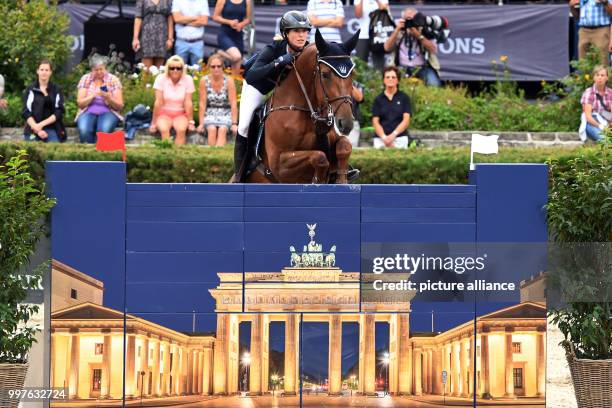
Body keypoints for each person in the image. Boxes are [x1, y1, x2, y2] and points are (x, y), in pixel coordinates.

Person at [233, 10, 312, 178]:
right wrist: (279, 61)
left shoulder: (307, 50)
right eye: (296, 31)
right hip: (259, 88)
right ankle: (239, 174)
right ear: (285, 34)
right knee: (244, 126)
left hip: (283, 91)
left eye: (304, 31)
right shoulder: (273, 49)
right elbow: (253, 74)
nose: (301, 35)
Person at [384, 7, 441, 87]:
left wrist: (418, 35)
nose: (410, 23)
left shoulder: (424, 29)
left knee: (434, 85)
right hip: (401, 67)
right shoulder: (397, 28)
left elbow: (433, 49)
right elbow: (387, 48)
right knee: (390, 84)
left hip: (421, 67)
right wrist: (397, 30)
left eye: (413, 20)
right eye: (407, 20)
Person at [76, 55, 124, 144]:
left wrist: (108, 97)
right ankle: (88, 155)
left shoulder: (113, 79)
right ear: (91, 70)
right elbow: (80, 103)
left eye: (101, 69)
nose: (99, 72)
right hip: (87, 111)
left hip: (109, 111)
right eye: (96, 70)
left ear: (105, 68)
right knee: (84, 130)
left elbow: (119, 105)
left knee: (103, 131)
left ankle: (101, 155)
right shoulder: (85, 78)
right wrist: (92, 96)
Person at [150, 55, 196, 145]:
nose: (175, 70)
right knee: (164, 129)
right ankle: (167, 156)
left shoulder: (188, 79)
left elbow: (188, 102)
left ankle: (178, 156)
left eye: (178, 68)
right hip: (163, 114)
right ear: (168, 69)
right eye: (172, 68)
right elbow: (158, 102)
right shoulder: (160, 78)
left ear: (182, 69)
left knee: (181, 130)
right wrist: (154, 123)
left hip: (180, 114)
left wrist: (191, 121)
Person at [197, 54, 238, 146]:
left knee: (222, 129)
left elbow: (233, 103)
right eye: (213, 66)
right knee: (211, 129)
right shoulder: (204, 80)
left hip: (226, 113)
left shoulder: (229, 81)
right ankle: (212, 156)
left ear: (222, 67)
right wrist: (201, 123)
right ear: (209, 67)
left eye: (219, 66)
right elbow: (202, 103)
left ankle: (218, 154)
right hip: (210, 113)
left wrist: (234, 123)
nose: (216, 69)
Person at [22, 60, 66, 143]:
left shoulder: (56, 89)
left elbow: (59, 112)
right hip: (32, 128)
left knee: (53, 151)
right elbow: (25, 111)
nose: (44, 72)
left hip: (52, 128)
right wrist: (37, 128)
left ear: (50, 72)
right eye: (42, 69)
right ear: (37, 71)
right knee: (31, 151)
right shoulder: (30, 89)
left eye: (47, 70)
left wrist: (40, 125)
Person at [371, 66, 411, 149]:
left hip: (400, 138)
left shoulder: (404, 98)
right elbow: (375, 122)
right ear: (384, 80)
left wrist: (393, 135)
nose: (390, 79)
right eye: (387, 77)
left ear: (398, 80)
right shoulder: (378, 99)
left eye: (393, 77)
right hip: (381, 139)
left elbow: (406, 120)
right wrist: (384, 138)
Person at [213, 0, 251, 77]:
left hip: (238, 34)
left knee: (237, 67)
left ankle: (233, 85)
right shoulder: (222, 0)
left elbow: (248, 19)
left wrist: (241, 24)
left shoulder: (247, 1)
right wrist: (229, 22)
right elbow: (215, 17)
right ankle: (219, 52)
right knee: (237, 56)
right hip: (224, 34)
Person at [132, 0, 174, 68]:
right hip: (146, 36)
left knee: (160, 70)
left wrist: (170, 38)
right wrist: (135, 38)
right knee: (146, 70)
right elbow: (138, 18)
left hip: (162, 37)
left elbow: (170, 18)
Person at [569, 0, 612, 65]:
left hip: (601, 30)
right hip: (583, 30)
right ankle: (584, 75)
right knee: (583, 62)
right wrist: (572, 7)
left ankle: (603, 75)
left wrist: (605, 3)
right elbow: (577, 17)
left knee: (602, 60)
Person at [579, 64, 612, 142]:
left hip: (607, 123)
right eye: (597, 75)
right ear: (594, 77)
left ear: (607, 78)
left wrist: (609, 124)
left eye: (602, 75)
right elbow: (588, 116)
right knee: (605, 140)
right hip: (592, 124)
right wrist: (600, 126)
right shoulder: (589, 92)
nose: (600, 77)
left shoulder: (610, 93)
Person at [172, 0, 210, 67]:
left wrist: (184, 22)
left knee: (197, 72)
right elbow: (177, 19)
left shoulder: (203, 1)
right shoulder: (177, 1)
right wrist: (197, 17)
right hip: (181, 41)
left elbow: (204, 21)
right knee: (179, 69)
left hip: (197, 42)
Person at [354, 0, 389, 70]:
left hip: (378, 35)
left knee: (379, 64)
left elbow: (386, 12)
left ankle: (379, 80)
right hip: (363, 34)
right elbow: (358, 15)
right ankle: (360, 81)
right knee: (360, 64)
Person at [347, 80, 364, 148]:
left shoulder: (358, 85)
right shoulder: (334, 82)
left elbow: (360, 98)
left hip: (353, 122)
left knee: (352, 149)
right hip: (335, 122)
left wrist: (347, 82)